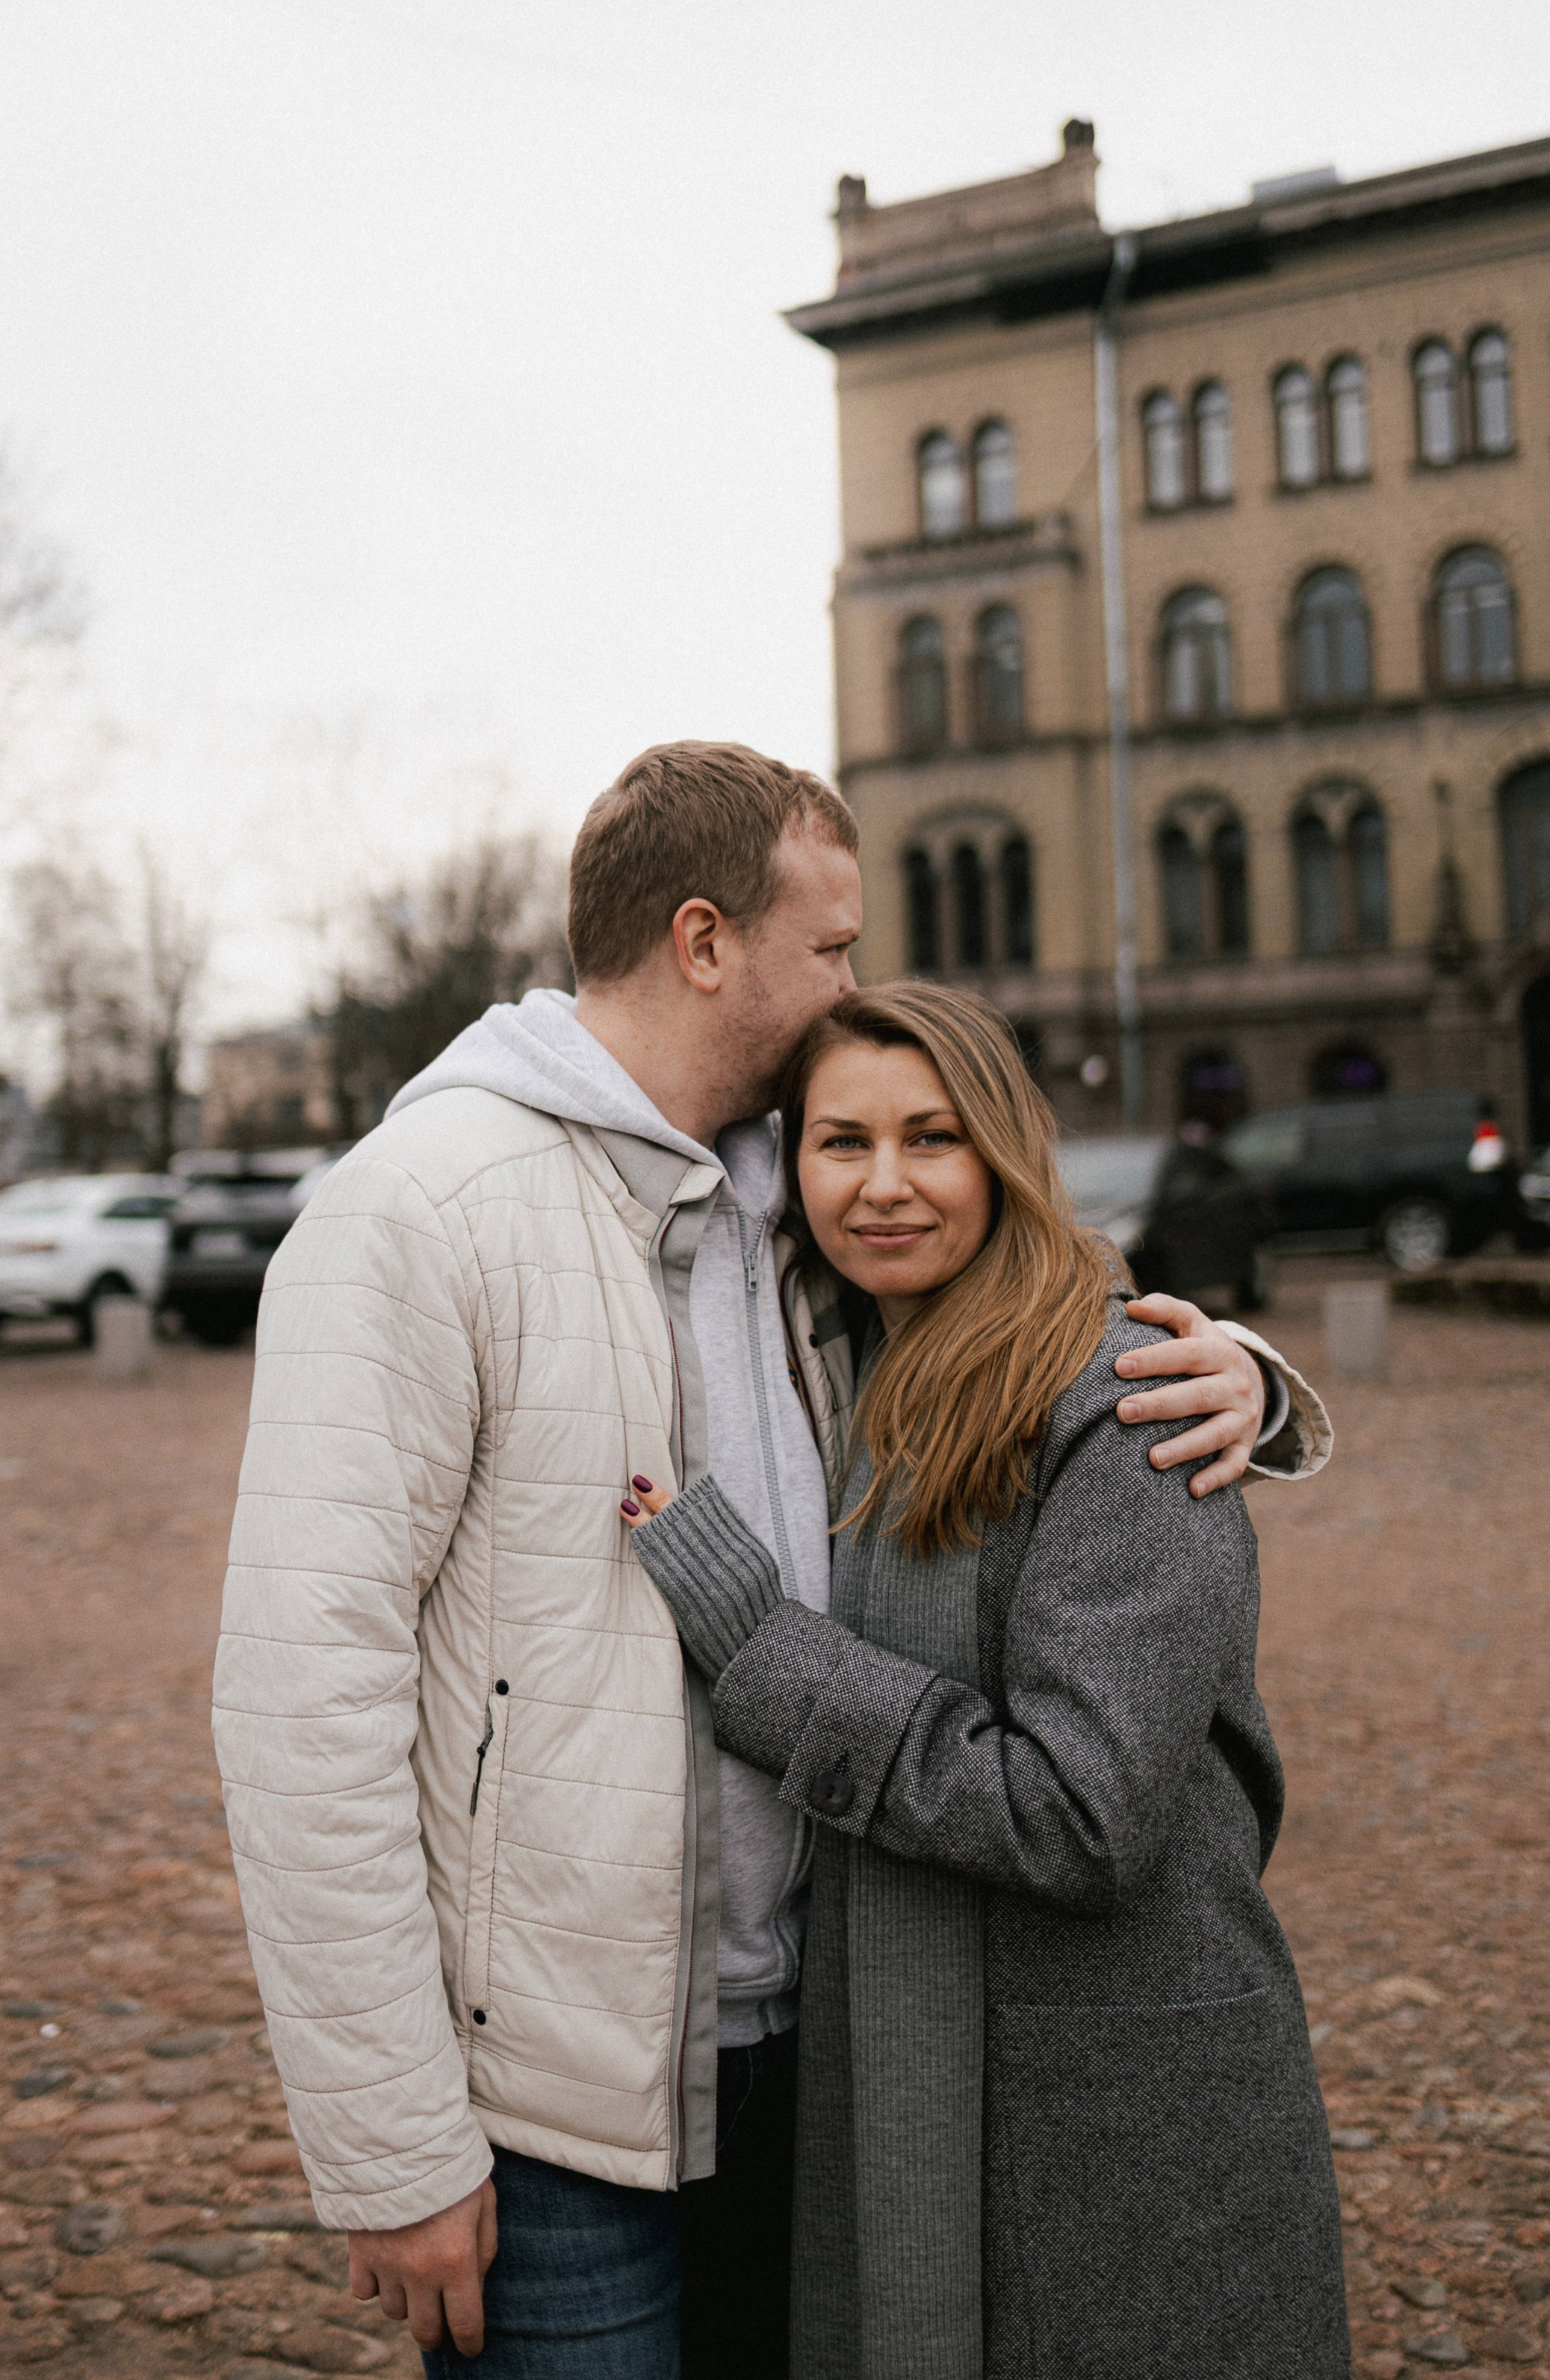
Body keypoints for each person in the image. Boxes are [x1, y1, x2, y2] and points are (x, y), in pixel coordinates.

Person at [211, 743, 1330, 2379]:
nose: (854, 985)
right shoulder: (418, 1212)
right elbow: (303, 1709)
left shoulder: (783, 1201)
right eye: (834, 947)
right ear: (705, 941)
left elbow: (1014, 1307)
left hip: (820, 2065)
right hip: (561, 2112)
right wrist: (393, 2147)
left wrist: (1236, 1369)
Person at [624, 981, 1348, 2380]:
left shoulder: (1131, 1398)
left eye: (932, 1139)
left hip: (1123, 2132)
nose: (884, 1185)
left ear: (1003, 1154)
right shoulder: (839, 1372)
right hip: (920, 2085)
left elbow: (1085, 1812)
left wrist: (762, 1652)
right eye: (841, 1144)